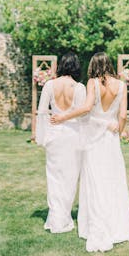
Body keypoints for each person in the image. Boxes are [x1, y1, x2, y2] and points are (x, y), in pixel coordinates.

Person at [51, 52, 129, 252]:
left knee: (95, 180)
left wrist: (63, 117)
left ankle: (96, 225)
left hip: (94, 139)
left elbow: (86, 108)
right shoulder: (122, 86)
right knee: (113, 180)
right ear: (109, 64)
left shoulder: (92, 83)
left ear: (93, 65)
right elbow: (124, 115)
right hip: (110, 139)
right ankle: (118, 225)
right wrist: (117, 130)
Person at [36, 52, 86, 233]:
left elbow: (42, 111)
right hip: (72, 135)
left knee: (54, 176)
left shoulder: (50, 84)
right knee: (70, 177)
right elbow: (83, 115)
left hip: (55, 135)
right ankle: (62, 216)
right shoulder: (79, 87)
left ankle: (56, 217)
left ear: (61, 66)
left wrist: (42, 136)